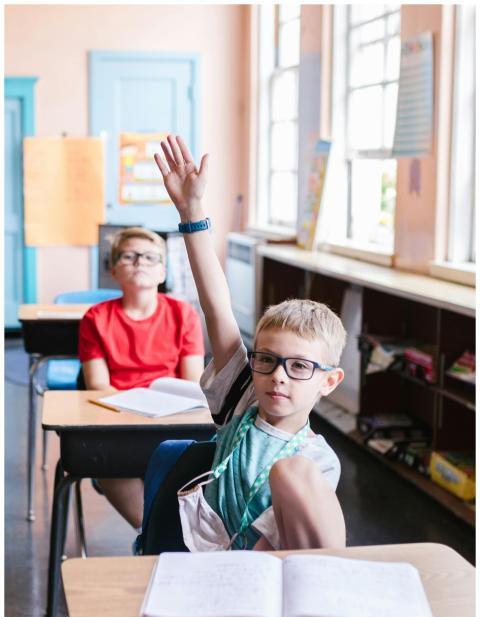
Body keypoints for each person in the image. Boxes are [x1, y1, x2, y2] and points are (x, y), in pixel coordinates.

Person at [153, 135, 347, 551]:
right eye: (267, 360)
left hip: (267, 576)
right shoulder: (243, 398)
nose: (278, 376)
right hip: (204, 562)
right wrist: (191, 210)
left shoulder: (317, 463)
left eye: (299, 367)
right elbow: (217, 307)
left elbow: (285, 548)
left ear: (329, 381)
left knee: (292, 475)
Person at [78, 226, 205, 528]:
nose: (140, 263)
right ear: (113, 270)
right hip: (118, 421)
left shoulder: (183, 314)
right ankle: (152, 536)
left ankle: (172, 536)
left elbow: (192, 383)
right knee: (107, 459)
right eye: (129, 256)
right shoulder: (95, 318)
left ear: (162, 271)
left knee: (198, 459)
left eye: (150, 257)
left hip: (173, 420)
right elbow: (98, 386)